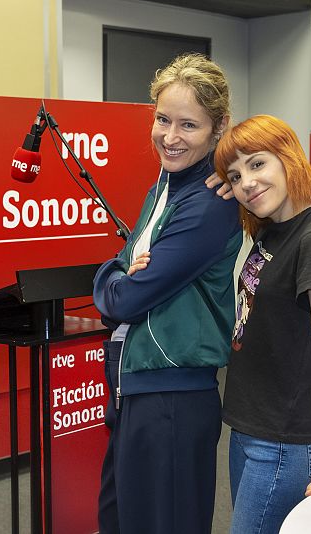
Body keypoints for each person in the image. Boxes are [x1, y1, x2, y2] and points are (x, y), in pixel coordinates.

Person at [92, 53, 242, 534]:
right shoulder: (165, 187)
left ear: (218, 128)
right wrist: (117, 274)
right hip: (135, 388)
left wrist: (110, 281)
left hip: (172, 398)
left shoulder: (209, 205)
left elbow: (126, 299)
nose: (170, 137)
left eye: (188, 125)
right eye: (162, 119)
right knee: (120, 520)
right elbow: (123, 267)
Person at [212, 114, 311, 534]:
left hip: (284, 442)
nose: (246, 182)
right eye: (234, 174)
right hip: (250, 429)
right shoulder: (272, 229)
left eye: (258, 164)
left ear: (288, 159)